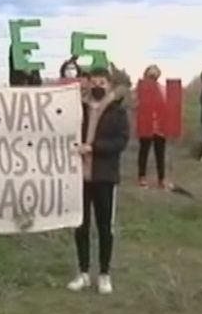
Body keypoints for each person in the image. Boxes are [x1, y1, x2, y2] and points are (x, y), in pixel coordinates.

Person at [68, 68, 131, 295]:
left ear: (110, 85)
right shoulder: (77, 109)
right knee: (80, 226)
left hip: (105, 177)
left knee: (105, 227)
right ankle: (83, 273)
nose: (97, 86)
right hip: (80, 178)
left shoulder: (118, 112)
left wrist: (94, 148)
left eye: (102, 82)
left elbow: (120, 141)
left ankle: (104, 274)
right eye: (93, 82)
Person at [136, 65, 170, 189]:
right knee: (144, 152)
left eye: (155, 74)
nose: (153, 76)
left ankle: (161, 179)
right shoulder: (141, 88)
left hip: (160, 126)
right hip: (146, 125)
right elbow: (139, 105)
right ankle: (142, 177)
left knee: (160, 153)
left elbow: (167, 105)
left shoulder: (162, 88)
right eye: (151, 74)